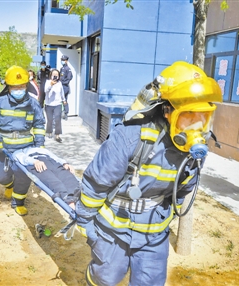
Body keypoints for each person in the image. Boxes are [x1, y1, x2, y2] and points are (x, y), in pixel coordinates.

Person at [74, 61, 222, 286]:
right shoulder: (131, 136)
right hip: (113, 231)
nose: (196, 125)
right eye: (188, 114)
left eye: (203, 116)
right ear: (168, 110)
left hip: (154, 235)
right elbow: (97, 182)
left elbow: (184, 188)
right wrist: (84, 220)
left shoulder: (196, 151)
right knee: (103, 278)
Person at [0, 65, 46, 216]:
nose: (19, 89)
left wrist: (39, 146)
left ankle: (18, 202)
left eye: (22, 86)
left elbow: (39, 124)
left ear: (27, 85)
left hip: (25, 149)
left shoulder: (33, 103)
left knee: (23, 177)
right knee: (1, 176)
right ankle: (9, 185)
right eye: (15, 87)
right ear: (8, 87)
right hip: (3, 148)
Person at [12, 147, 80, 208]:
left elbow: (55, 157)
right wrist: (34, 161)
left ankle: (78, 199)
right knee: (53, 182)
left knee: (68, 177)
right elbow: (20, 157)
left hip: (50, 161)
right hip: (35, 164)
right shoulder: (19, 151)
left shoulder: (42, 150)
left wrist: (64, 163)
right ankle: (70, 204)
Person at [44, 69, 66, 143]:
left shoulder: (60, 83)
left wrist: (64, 100)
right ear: (51, 75)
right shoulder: (48, 82)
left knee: (57, 119)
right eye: (54, 75)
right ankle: (49, 132)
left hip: (58, 104)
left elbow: (62, 92)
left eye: (57, 75)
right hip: (49, 104)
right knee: (50, 120)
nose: (55, 76)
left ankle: (57, 135)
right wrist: (51, 85)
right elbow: (45, 90)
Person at [60, 55, 73, 120]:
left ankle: (65, 113)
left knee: (64, 100)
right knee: (60, 100)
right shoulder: (62, 68)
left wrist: (63, 82)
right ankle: (60, 113)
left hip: (65, 87)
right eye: (61, 60)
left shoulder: (68, 69)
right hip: (60, 86)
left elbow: (69, 78)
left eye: (63, 60)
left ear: (66, 61)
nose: (62, 61)